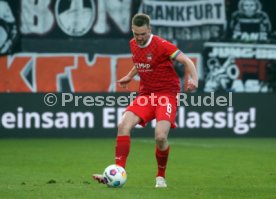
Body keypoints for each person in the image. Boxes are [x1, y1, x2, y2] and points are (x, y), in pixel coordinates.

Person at [93, 13, 198, 188]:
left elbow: (187, 61)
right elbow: (141, 62)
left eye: (143, 34)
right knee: (123, 125)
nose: (140, 38)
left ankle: (160, 176)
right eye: (136, 34)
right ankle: (117, 172)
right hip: (146, 95)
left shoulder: (163, 45)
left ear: (149, 29)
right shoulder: (133, 44)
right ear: (132, 31)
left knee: (160, 136)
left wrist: (194, 79)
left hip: (166, 94)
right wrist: (128, 76)